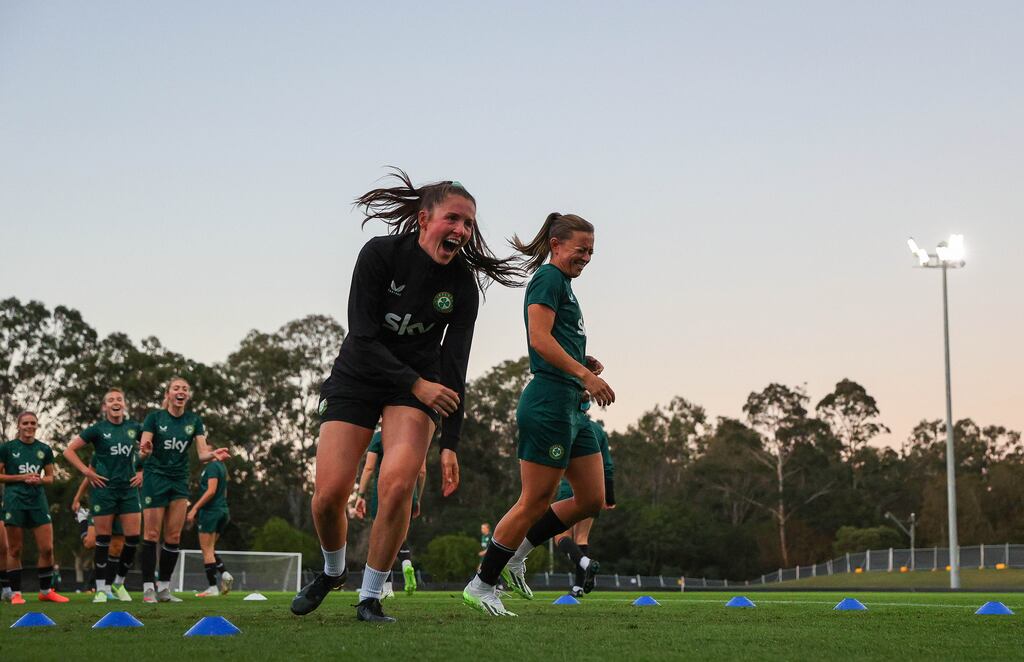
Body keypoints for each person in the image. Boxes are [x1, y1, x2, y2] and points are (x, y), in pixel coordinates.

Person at [290, 169, 523, 623]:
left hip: (420, 385)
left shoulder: (461, 284)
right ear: (423, 219)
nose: (461, 230)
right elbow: (361, 337)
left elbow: (456, 365)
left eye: (469, 224)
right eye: (453, 219)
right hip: (360, 374)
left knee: (396, 484)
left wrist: (451, 442)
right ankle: (333, 570)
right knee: (328, 495)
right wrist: (415, 383)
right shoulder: (379, 255)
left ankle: (371, 595)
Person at [464, 213, 614, 616]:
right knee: (534, 500)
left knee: (591, 498)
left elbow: (555, 341)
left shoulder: (564, 285)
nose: (586, 257)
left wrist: (583, 361)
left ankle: (517, 556)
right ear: (556, 244)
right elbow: (539, 340)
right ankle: (482, 583)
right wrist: (584, 373)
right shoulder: (548, 279)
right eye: (581, 249)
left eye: (591, 252)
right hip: (548, 402)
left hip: (573, 406)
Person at [138, 376, 230, 603]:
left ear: (187, 396)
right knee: (151, 534)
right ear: (168, 394)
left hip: (179, 480)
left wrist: (213, 455)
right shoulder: (154, 418)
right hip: (155, 478)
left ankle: (165, 588)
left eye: (185, 389)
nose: (181, 391)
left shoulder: (194, 421)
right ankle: (149, 587)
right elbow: (143, 451)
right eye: (176, 388)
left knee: (174, 536)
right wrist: (146, 450)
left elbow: (201, 454)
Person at [64, 388, 143, 602]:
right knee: (102, 540)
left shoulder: (135, 428)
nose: (115, 402)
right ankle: (101, 589)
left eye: (119, 399)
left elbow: (151, 449)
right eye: (111, 400)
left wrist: (142, 471)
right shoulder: (98, 430)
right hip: (104, 491)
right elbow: (68, 451)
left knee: (133, 538)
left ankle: (118, 583)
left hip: (127, 491)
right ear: (105, 407)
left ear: (124, 404)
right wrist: (87, 472)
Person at [0, 411, 69, 604]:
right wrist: (21, 478)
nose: (29, 426)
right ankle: (16, 594)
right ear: (18, 425)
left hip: (38, 502)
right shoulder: (7, 448)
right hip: (14, 501)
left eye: (33, 423)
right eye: (25, 423)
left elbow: (50, 477)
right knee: (15, 549)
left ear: (36, 426)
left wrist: (39, 480)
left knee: (47, 548)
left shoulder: (44, 449)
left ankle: (46, 591)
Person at [353, 429, 426, 597]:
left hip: (383, 490)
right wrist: (417, 498)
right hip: (409, 491)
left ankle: (386, 589)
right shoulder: (415, 435)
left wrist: (360, 495)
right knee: (400, 537)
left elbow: (369, 467)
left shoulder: (380, 436)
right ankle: (406, 563)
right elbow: (421, 471)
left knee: (381, 539)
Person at [552, 411, 615, 597]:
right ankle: (578, 587)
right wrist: (609, 497)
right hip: (593, 491)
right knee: (582, 538)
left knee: (560, 536)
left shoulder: (565, 426)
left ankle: (586, 564)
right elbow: (608, 465)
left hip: (568, 490)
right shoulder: (597, 429)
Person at [71, 476, 129, 598]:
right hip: (102, 499)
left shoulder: (130, 457)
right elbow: (88, 475)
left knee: (116, 548)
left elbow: (140, 468)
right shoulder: (102, 458)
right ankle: (82, 518)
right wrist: (77, 498)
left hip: (123, 499)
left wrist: (141, 473)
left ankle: (107, 588)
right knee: (89, 543)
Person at [186, 457, 234, 596]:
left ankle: (212, 587)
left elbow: (211, 491)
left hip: (210, 512)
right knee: (210, 548)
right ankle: (224, 573)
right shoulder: (221, 466)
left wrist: (195, 508)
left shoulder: (212, 466)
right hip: (223, 511)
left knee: (206, 550)